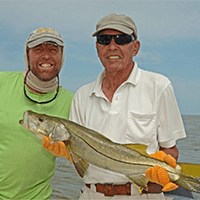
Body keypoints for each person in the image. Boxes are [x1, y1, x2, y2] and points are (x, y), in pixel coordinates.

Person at [43, 13, 187, 199]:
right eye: (104, 39)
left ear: (135, 47)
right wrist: (66, 150)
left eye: (122, 39)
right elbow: (80, 155)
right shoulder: (82, 95)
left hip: (142, 194)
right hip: (91, 194)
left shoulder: (159, 86)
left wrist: (166, 166)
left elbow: (170, 149)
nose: (112, 46)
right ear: (97, 48)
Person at [0, 27, 73, 199]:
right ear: (27, 55)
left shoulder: (73, 101)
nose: (46, 56)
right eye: (38, 50)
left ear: (62, 57)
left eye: (53, 50)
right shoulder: (2, 83)